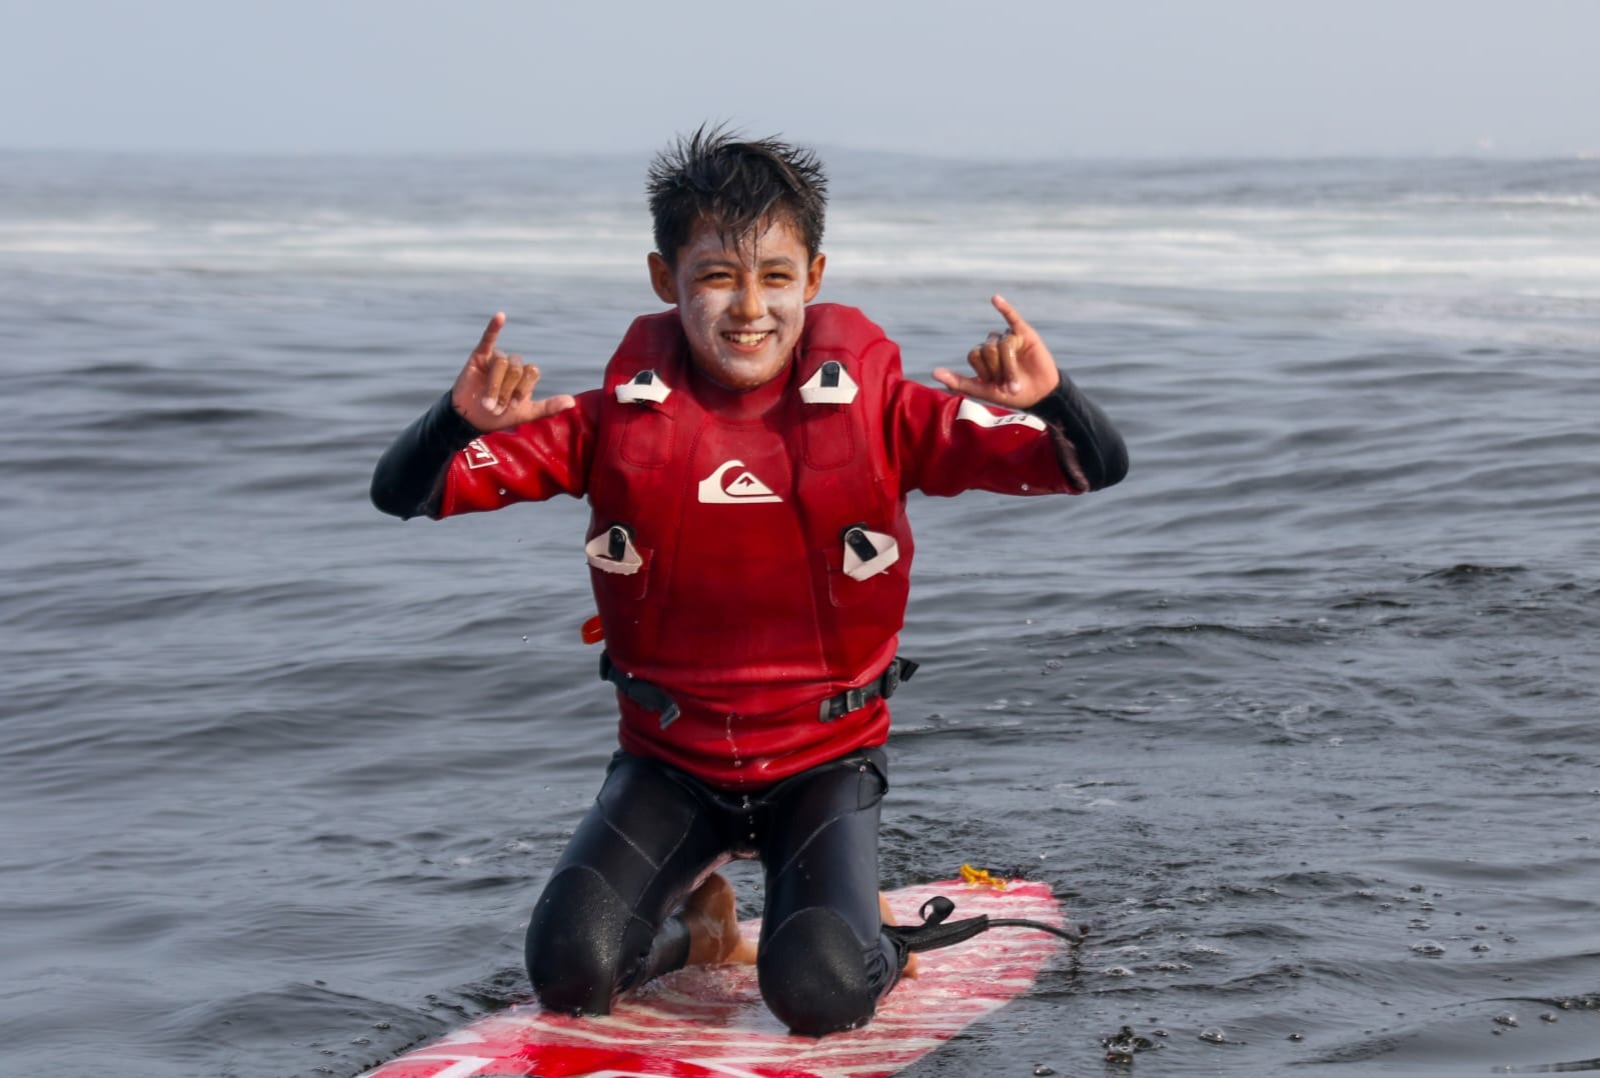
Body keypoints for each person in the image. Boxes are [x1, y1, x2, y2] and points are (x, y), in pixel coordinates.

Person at [370, 127, 1127, 1036]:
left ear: (813, 277)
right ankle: (703, 930)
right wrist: (455, 422)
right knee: (571, 973)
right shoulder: (607, 422)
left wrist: (1051, 402)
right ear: (666, 280)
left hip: (822, 763)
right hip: (668, 763)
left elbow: (1092, 469)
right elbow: (404, 495)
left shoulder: (886, 412)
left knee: (818, 989)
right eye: (716, 277)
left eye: (775, 276)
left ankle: (870, 937)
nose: (748, 308)